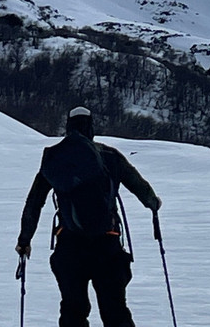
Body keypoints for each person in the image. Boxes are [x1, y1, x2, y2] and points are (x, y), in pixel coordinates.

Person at [16, 106, 161, 327]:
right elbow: (141, 188)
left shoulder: (57, 159)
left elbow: (34, 203)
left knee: (73, 310)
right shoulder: (110, 156)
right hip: (107, 244)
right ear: (91, 127)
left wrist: (24, 240)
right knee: (115, 310)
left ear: (68, 127)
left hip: (70, 246)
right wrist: (153, 204)